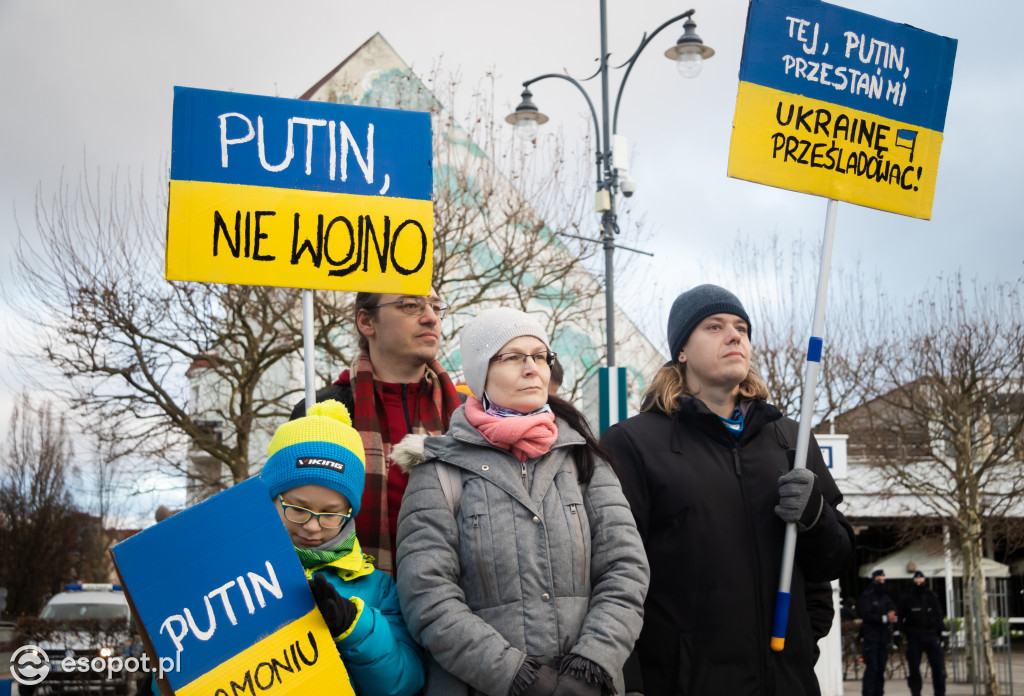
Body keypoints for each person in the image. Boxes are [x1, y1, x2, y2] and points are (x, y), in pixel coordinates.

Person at [599, 283, 854, 695]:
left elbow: (835, 564)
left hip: (788, 682)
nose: (735, 336)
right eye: (714, 327)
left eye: (741, 328)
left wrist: (815, 517)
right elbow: (613, 576)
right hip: (684, 683)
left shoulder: (791, 439)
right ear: (681, 350)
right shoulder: (631, 444)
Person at [393, 307, 650, 696]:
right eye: (512, 357)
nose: (532, 368)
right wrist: (518, 678)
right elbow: (427, 596)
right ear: (481, 373)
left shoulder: (585, 459)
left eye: (541, 356)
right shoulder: (438, 470)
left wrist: (592, 664)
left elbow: (626, 570)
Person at [291, 290, 463, 576]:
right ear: (367, 322)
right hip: (349, 605)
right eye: (411, 305)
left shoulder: (467, 416)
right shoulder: (319, 412)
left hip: (454, 605)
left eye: (435, 306)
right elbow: (291, 523)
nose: (431, 318)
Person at [261, 399, 425, 696]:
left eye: (331, 513)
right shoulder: (234, 573)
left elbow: (404, 682)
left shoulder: (378, 588)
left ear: (350, 512)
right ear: (269, 499)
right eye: (297, 509)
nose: (312, 526)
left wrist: (355, 627)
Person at [898, 571, 945, 696]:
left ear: (924, 580)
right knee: (914, 668)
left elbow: (939, 614)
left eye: (921, 581)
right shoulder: (907, 596)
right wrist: (898, 632)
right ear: (913, 581)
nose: (919, 583)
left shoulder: (931, 596)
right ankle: (916, 693)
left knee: (938, 668)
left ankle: (940, 693)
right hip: (914, 636)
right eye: (917, 581)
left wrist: (942, 632)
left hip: (930, 635)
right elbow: (900, 615)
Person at [859, 569, 898, 696]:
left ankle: (878, 693)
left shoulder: (885, 597)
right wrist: (884, 618)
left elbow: (892, 608)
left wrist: (892, 614)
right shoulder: (867, 596)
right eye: (879, 580)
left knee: (881, 668)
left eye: (883, 580)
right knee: (872, 668)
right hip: (871, 637)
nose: (881, 583)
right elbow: (866, 614)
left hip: (883, 637)